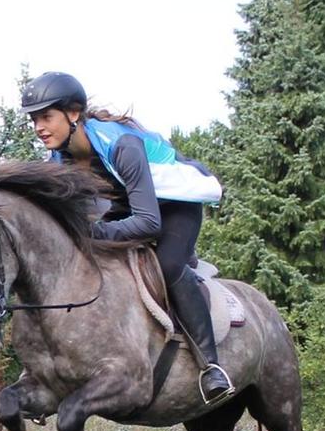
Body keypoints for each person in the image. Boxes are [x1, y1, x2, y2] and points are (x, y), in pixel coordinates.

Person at [20, 71, 234, 404]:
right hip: (131, 205)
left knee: (167, 264)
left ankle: (211, 366)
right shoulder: (60, 161)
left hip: (175, 205)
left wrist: (94, 233)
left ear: (73, 113)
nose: (39, 127)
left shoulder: (122, 146)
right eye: (34, 120)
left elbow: (148, 223)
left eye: (46, 116)